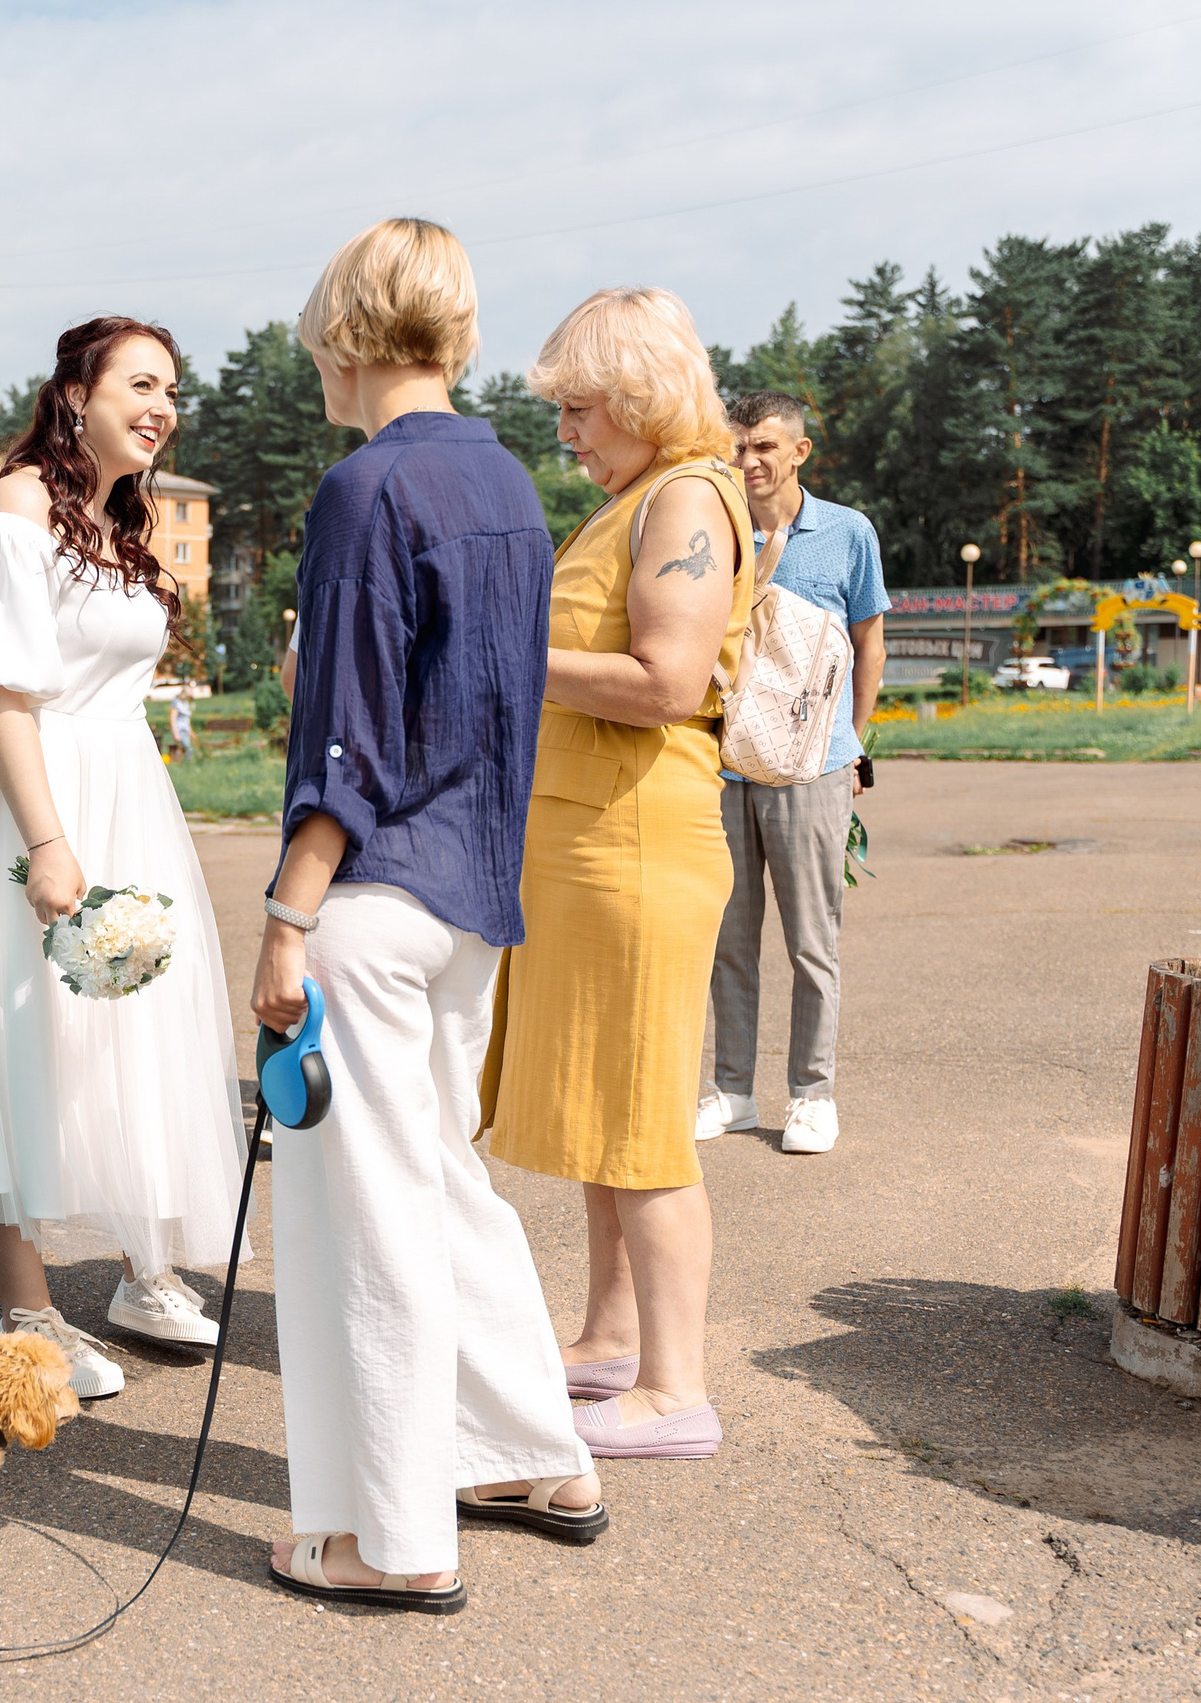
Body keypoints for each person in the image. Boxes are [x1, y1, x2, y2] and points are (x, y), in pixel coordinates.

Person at [253, 220, 599, 1614]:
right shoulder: (508, 478)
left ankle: (393, 1536)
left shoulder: (364, 489)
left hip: (374, 888)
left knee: (371, 1215)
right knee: (444, 1181)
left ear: (345, 338)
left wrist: (287, 913)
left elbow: (344, 731)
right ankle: (531, 1450)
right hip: (470, 894)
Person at [0, 318, 247, 1399]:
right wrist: (48, 839)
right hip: (23, 797)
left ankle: (146, 1272)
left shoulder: (116, 521)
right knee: (16, 1032)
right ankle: (26, 1310)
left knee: (129, 1027)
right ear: (75, 394)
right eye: (140, 384)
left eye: (173, 390)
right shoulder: (14, 514)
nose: (161, 405)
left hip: (121, 788)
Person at [477, 286, 754, 1461]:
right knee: (606, 1110)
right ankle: (610, 1338)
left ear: (641, 395)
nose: (567, 433)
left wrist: (499, 654)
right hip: (595, 841)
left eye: (581, 408)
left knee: (639, 1121)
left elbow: (667, 680)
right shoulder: (644, 498)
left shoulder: (686, 496)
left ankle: (675, 1388)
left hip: (635, 841)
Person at [697, 392, 889, 1157]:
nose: (748, 462)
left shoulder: (847, 532)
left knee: (813, 942)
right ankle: (733, 1090)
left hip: (814, 771)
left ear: (800, 452)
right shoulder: (714, 526)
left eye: (764, 447)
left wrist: (853, 744)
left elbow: (871, 644)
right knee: (728, 940)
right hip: (727, 767)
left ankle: (812, 1094)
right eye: (738, 447)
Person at [167, 689, 194, 760]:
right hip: (179, 729)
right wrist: (175, 733)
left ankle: (184, 763)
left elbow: (186, 720)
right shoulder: (176, 703)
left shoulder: (185, 703)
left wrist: (191, 732)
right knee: (187, 748)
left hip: (185, 729)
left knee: (186, 748)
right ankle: (186, 764)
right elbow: (172, 719)